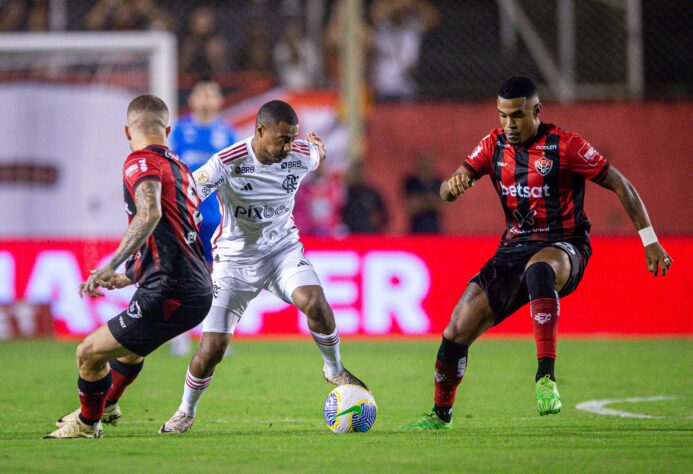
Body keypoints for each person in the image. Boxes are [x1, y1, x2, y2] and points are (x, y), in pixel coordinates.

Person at [403, 76, 673, 430]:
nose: (508, 124)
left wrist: (649, 238)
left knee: (539, 269)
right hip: (512, 250)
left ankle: (545, 376)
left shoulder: (566, 145)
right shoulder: (493, 145)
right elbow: (447, 190)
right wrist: (452, 188)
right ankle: (441, 415)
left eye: (516, 116)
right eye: (502, 115)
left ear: (536, 111)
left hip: (566, 245)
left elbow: (619, 183)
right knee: (456, 331)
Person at [158, 100, 368, 434]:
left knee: (314, 300)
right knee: (212, 349)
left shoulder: (299, 155)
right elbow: (189, 193)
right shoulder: (227, 162)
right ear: (259, 130)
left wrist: (317, 147)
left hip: (281, 252)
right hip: (233, 262)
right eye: (282, 139)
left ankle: (334, 369)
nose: (288, 147)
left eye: (292, 139)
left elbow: (315, 152)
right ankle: (186, 410)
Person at [43, 95, 212, 438]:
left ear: (126, 131)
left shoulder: (140, 162)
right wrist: (130, 274)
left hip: (171, 290)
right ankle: (108, 404)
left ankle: (88, 424)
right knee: (131, 351)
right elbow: (175, 237)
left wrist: (110, 264)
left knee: (88, 354)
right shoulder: (180, 168)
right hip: (193, 287)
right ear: (167, 129)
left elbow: (150, 214)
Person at [168, 79, 236, 356]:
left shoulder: (228, 134)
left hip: (218, 216)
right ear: (192, 99)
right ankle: (181, 336)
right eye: (202, 94)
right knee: (184, 275)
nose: (207, 99)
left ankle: (217, 334)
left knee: (220, 277)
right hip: (187, 214)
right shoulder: (180, 131)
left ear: (220, 100)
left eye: (212, 94)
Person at [341, 162, 389, 233]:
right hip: (352, 236)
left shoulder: (373, 194)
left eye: (361, 172)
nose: (359, 175)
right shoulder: (346, 193)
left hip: (371, 235)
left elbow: (385, 215)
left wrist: (378, 221)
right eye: (356, 173)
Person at [403, 154, 443, 233]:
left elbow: (442, 206)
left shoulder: (438, 182)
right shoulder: (411, 182)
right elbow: (410, 206)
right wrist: (431, 201)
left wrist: (421, 202)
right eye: (423, 163)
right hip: (416, 229)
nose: (426, 167)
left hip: (434, 228)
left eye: (428, 163)